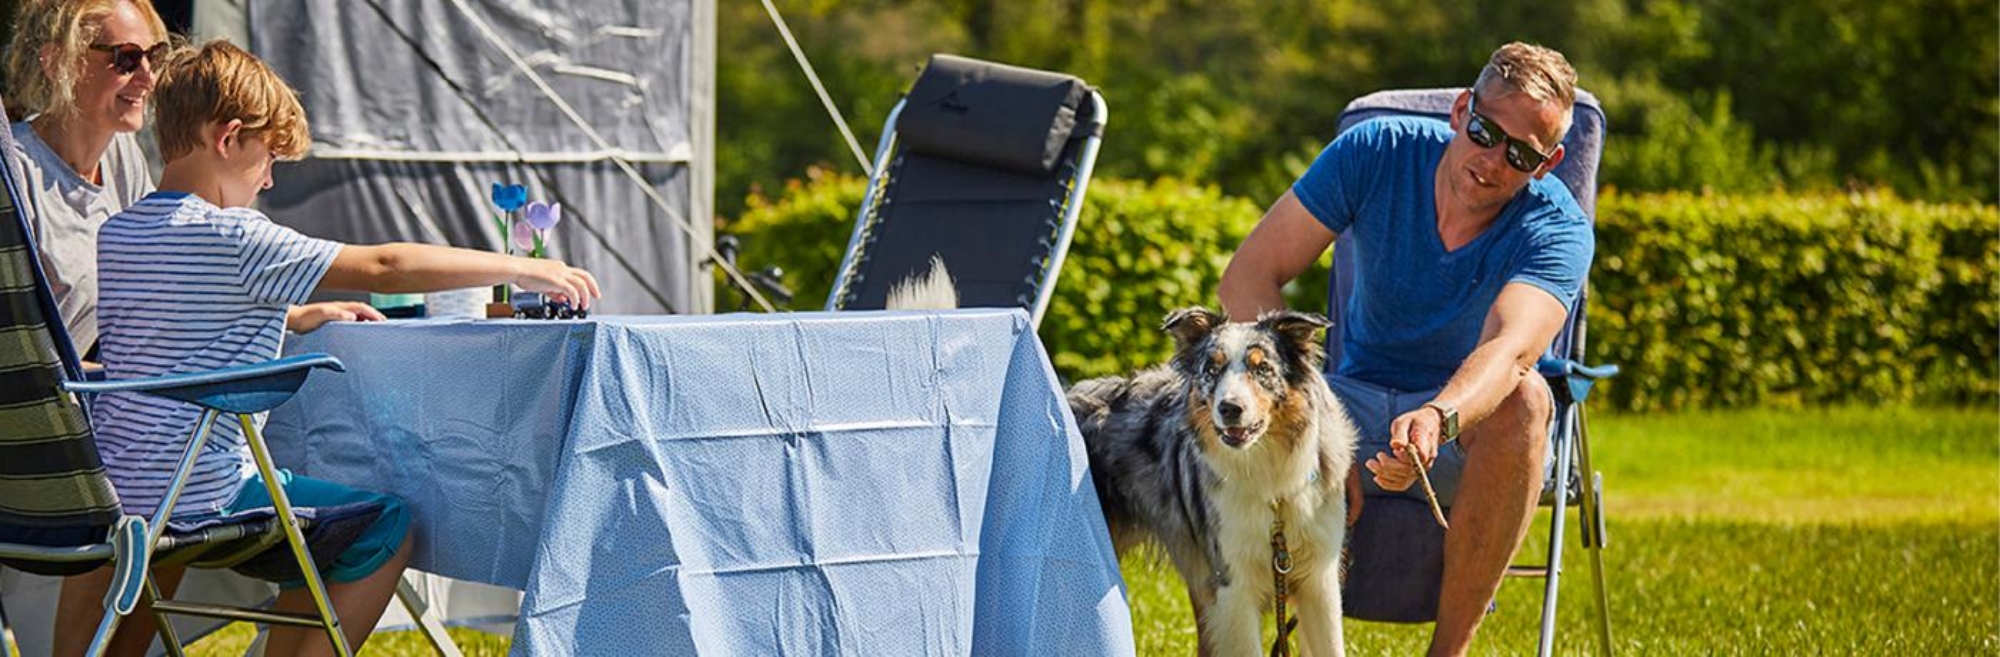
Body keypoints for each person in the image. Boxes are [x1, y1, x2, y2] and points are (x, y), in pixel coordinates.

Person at [52, 39, 602, 657]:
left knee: (291, 528)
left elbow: (171, 319)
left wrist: (293, 311)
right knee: (386, 527)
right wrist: (522, 269)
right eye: (269, 159)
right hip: (204, 496)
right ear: (229, 139)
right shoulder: (238, 236)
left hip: (122, 487)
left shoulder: (123, 230)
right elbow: (385, 265)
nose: (269, 178)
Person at [1217, 42, 1593, 656]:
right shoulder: (1376, 151)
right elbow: (1247, 278)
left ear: (1547, 164)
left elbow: (1510, 350)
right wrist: (1321, 431)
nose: (1494, 160)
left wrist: (1437, 419)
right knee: (1208, 405)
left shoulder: (1558, 229)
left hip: (1465, 430)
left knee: (1526, 401)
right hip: (1345, 404)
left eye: (1521, 155)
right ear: (1461, 110)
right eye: (1486, 131)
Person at [1, 0, 379, 366]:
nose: (149, 77)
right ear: (56, 62)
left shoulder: (121, 156)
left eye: (156, 57)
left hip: (91, 396)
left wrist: (290, 316)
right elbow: (19, 351)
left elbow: (166, 281)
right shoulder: (14, 171)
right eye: (127, 58)